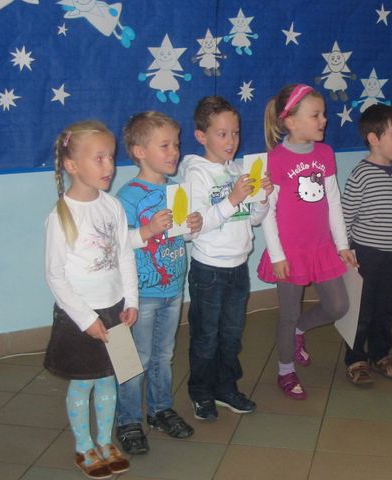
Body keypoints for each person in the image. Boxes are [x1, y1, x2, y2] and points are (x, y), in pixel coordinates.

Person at [44, 121, 138, 479]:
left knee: (110, 378)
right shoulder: (61, 216)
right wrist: (86, 319)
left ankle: (105, 440)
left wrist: (131, 301)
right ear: (72, 165)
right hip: (80, 316)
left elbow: (125, 255)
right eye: (99, 158)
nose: (109, 165)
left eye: (111, 157)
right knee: (84, 382)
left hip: (115, 309)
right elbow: (55, 276)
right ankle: (84, 446)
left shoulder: (112, 206)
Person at [257, 84, 355, 399]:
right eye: (316, 115)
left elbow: (333, 202)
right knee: (288, 314)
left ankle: (301, 330)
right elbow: (268, 212)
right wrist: (277, 256)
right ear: (291, 122)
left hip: (322, 247)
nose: (324, 120)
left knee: (338, 306)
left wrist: (342, 245)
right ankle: (285, 370)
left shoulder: (325, 153)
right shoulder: (275, 159)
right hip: (290, 252)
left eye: (323, 114)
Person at [180, 96, 272, 421]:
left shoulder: (238, 169)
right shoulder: (197, 174)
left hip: (238, 268)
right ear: (201, 136)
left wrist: (262, 198)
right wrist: (233, 199)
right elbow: (196, 225)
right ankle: (201, 392)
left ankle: (225, 387)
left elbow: (254, 219)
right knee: (206, 337)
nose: (231, 140)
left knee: (232, 335)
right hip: (209, 269)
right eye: (222, 134)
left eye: (235, 132)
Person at [115, 112, 202, 454]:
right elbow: (116, 245)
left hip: (172, 288)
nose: (174, 152)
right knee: (134, 358)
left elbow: (180, 235)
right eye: (164, 145)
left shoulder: (174, 189)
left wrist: (192, 226)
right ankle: (128, 419)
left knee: (163, 355)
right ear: (140, 152)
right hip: (140, 294)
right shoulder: (128, 196)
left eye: (176, 144)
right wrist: (148, 230)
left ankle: (160, 408)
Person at [341, 104, 392, 384]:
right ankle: (356, 358)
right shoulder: (360, 174)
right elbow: (345, 218)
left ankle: (380, 354)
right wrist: (346, 254)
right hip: (365, 256)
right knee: (362, 310)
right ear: (374, 138)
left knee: (385, 310)